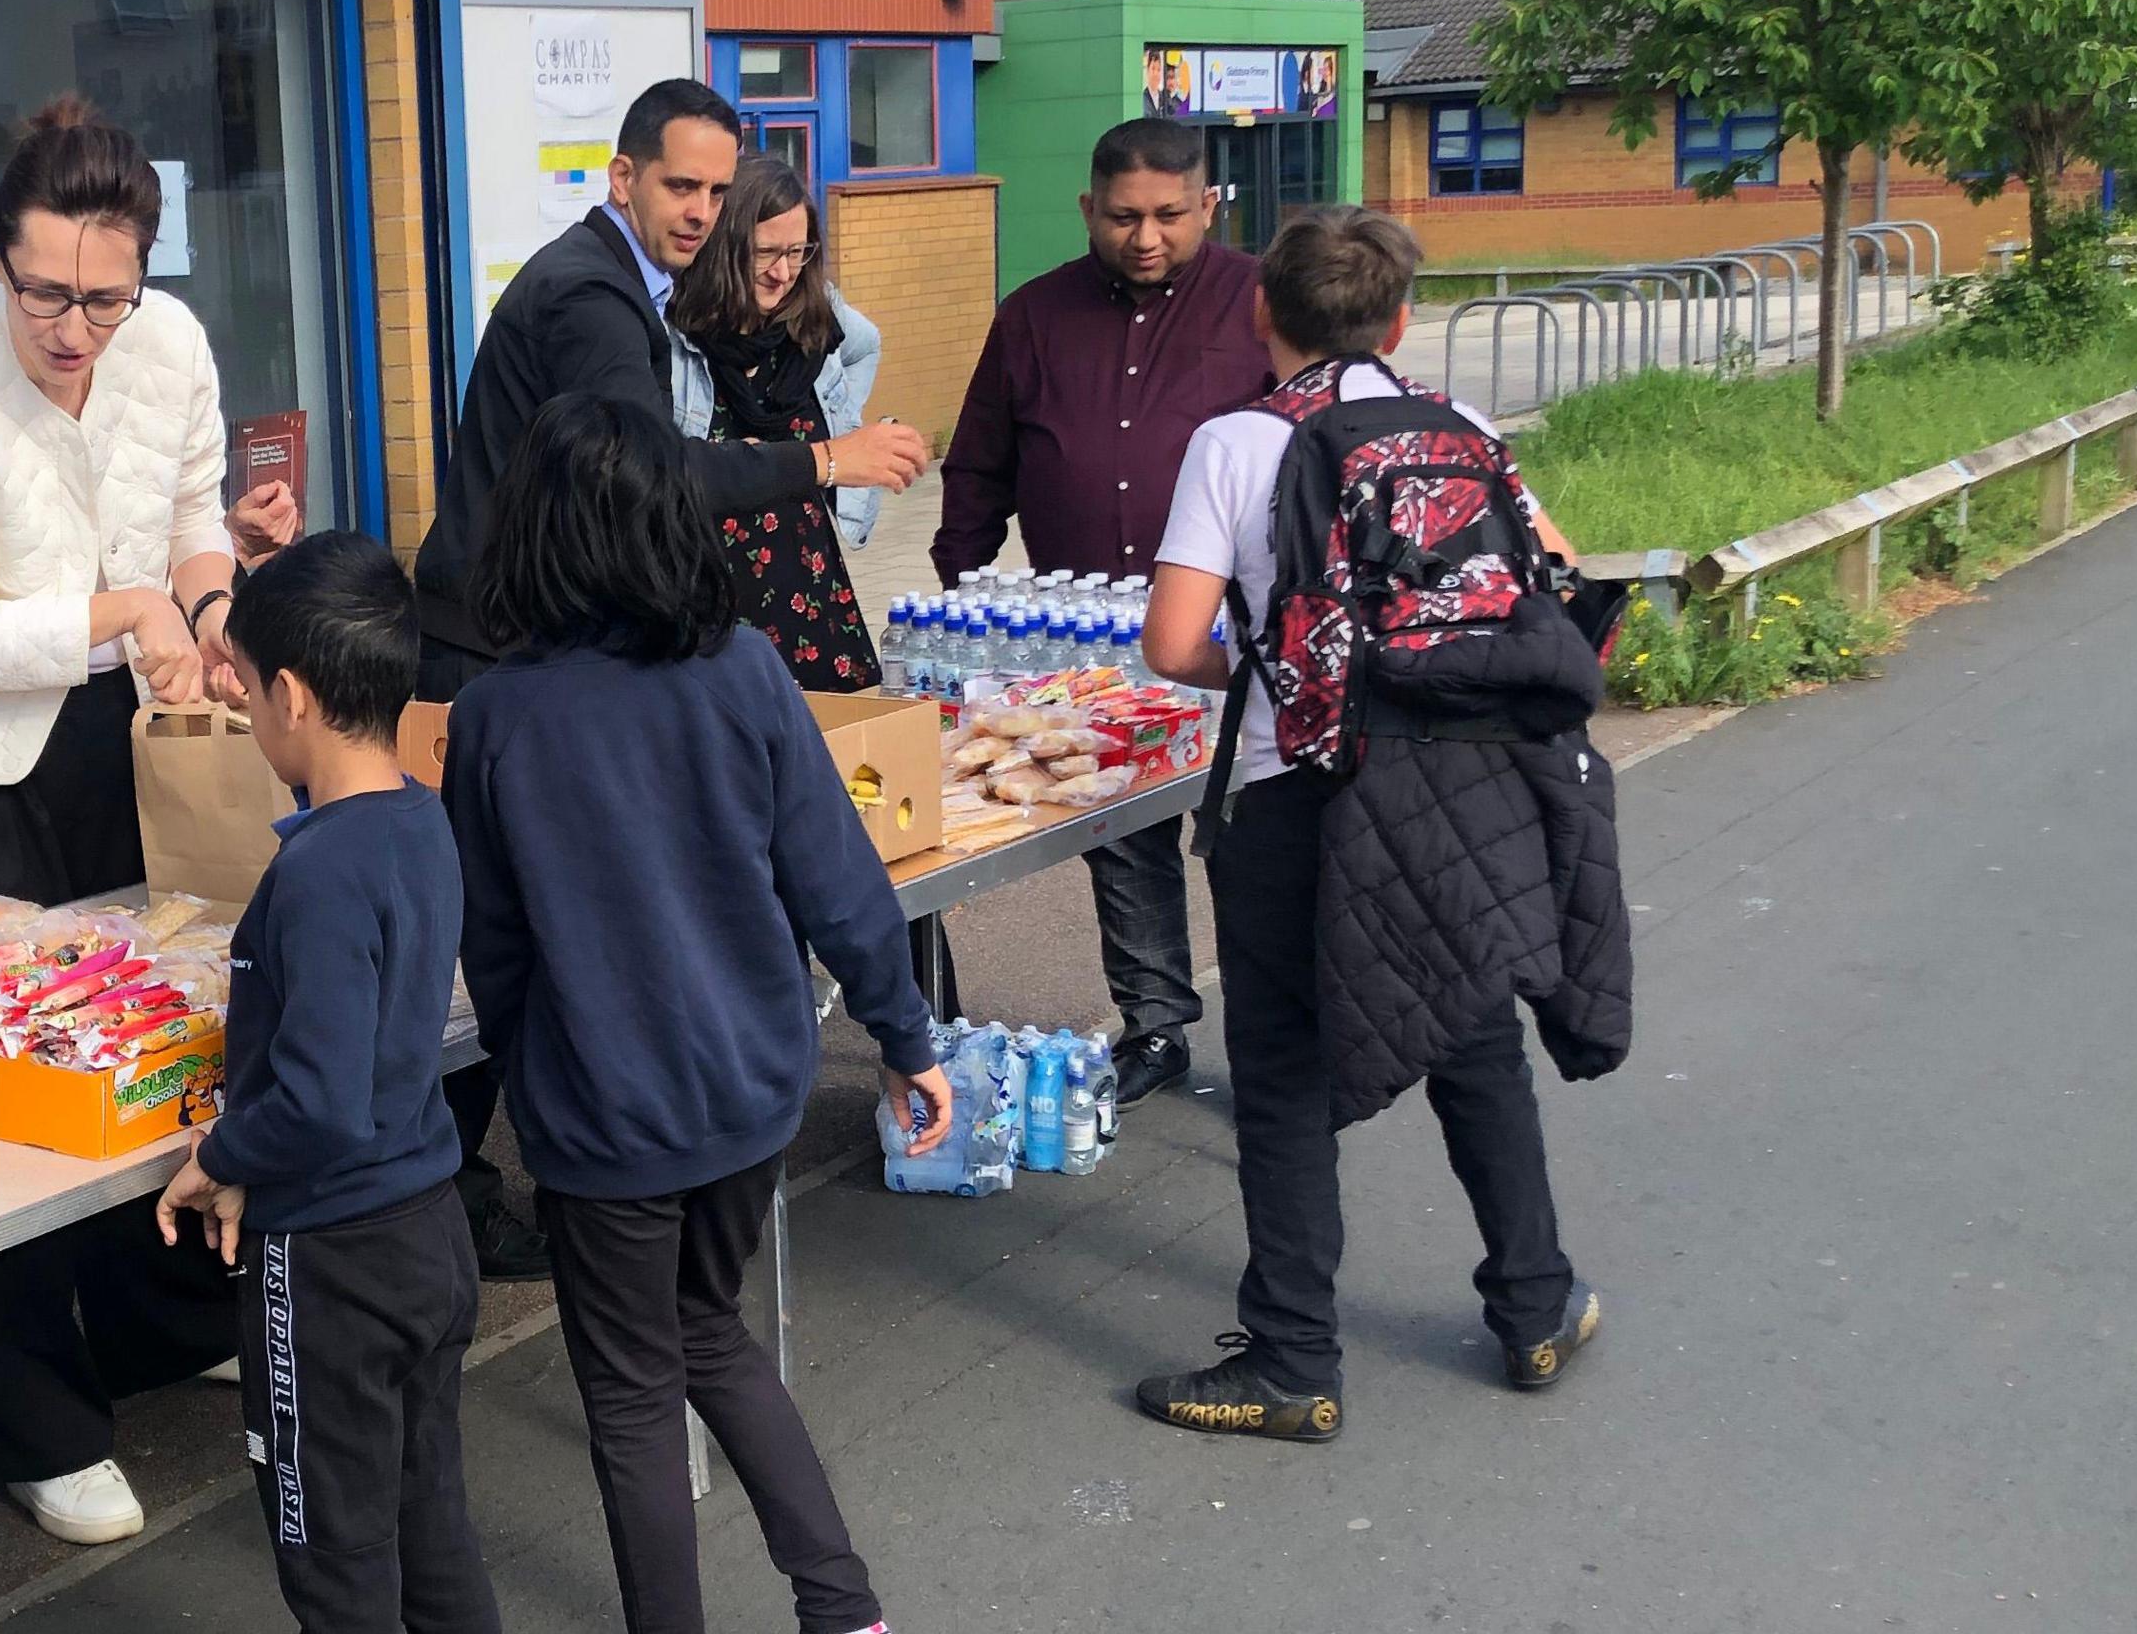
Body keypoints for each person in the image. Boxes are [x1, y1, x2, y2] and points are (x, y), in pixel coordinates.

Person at [441, 394, 953, 1634]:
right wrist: (904, 1040)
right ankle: (843, 1608)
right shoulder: (747, 671)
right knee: (708, 1333)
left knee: (631, 1395)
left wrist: (533, 1081)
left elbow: (493, 946)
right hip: (750, 1090)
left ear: (532, 538)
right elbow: (839, 880)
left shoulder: (498, 717)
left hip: (603, 1115)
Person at [408, 76, 926, 1279]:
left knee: (522, 922)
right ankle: (455, 1190)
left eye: (714, 189)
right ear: (622, 178)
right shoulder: (591, 296)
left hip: (524, 640)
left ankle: (469, 1181)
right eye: (678, 186)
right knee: (507, 929)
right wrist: (826, 458)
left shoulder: (619, 281)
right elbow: (660, 482)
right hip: (497, 652)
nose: (699, 212)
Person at [0, 96, 266, 1544]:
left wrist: (208, 610)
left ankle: (159, 1319)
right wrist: (129, 608)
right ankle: (16, 1413)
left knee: (145, 1015)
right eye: (46, 295)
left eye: (108, 295)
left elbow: (196, 511)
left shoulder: (171, 344)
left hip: (109, 727)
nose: (78, 329)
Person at [1130, 206, 1612, 1439]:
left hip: (1296, 794)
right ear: (1401, 320)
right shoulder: (1465, 431)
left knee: (1284, 1072)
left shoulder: (1233, 443)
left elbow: (1176, 644)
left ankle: (1293, 1362)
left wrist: (1291, 665)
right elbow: (1561, 590)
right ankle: (1538, 1306)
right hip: (1457, 792)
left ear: (1260, 310)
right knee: (1473, 1038)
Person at [154, 531, 499, 1634]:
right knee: (428, 1518)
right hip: (428, 1229)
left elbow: (318, 1097)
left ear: (292, 696)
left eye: (248, 692)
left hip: (333, 1264)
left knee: (333, 1555)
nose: (248, 715)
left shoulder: (317, 870)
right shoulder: (419, 820)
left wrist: (216, 1157)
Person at [930, 115, 1272, 1104]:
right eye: (1124, 216)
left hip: (1226, 637)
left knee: (1253, 838)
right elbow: (982, 462)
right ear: (1089, 208)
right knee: (1123, 835)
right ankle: (1156, 1025)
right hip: (1083, 639)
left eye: (1170, 214)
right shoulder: (1034, 316)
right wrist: (963, 599)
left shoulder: (1257, 303)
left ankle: (1282, 1041)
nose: (1147, 236)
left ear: (1209, 203)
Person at [665, 153, 882, 690]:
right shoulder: (677, 338)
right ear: (722, 246)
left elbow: (866, 346)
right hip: (708, 598)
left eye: (797, 252)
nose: (783, 273)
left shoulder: (815, 314)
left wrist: (844, 426)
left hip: (808, 586)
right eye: (764, 253)